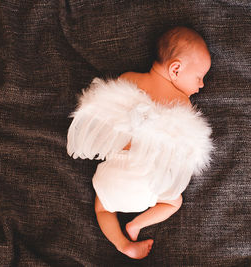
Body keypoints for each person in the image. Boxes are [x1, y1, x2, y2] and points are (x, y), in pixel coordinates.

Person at [67, 26, 213, 259]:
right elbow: (181, 152)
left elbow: (104, 111)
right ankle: (136, 225)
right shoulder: (182, 104)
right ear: (176, 69)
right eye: (199, 77)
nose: (202, 85)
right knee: (174, 202)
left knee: (102, 209)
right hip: (147, 182)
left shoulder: (128, 79)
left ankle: (121, 244)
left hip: (112, 175)